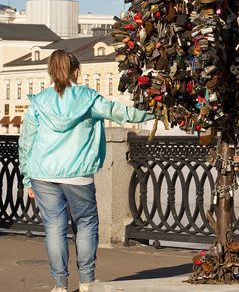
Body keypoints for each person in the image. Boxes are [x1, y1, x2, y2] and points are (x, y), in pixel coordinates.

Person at [18, 50, 154, 292]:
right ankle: (87, 281)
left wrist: (28, 178)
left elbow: (26, 142)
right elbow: (119, 113)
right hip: (77, 175)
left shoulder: (38, 102)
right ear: (77, 71)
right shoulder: (88, 99)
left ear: (50, 71)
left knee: (54, 228)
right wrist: (154, 110)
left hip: (43, 174)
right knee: (86, 224)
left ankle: (60, 285)